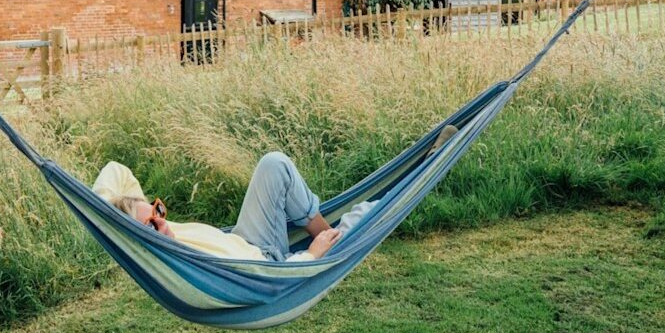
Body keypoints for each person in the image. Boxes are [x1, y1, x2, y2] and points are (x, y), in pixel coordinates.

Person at [94, 125, 459, 263]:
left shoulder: (158, 227)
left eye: (158, 211)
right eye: (153, 225)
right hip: (263, 267)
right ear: (143, 241)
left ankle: (323, 230)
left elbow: (115, 172)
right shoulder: (173, 258)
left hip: (245, 239)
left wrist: (128, 209)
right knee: (356, 223)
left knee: (274, 164)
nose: (162, 221)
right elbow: (261, 284)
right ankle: (425, 168)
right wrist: (311, 258)